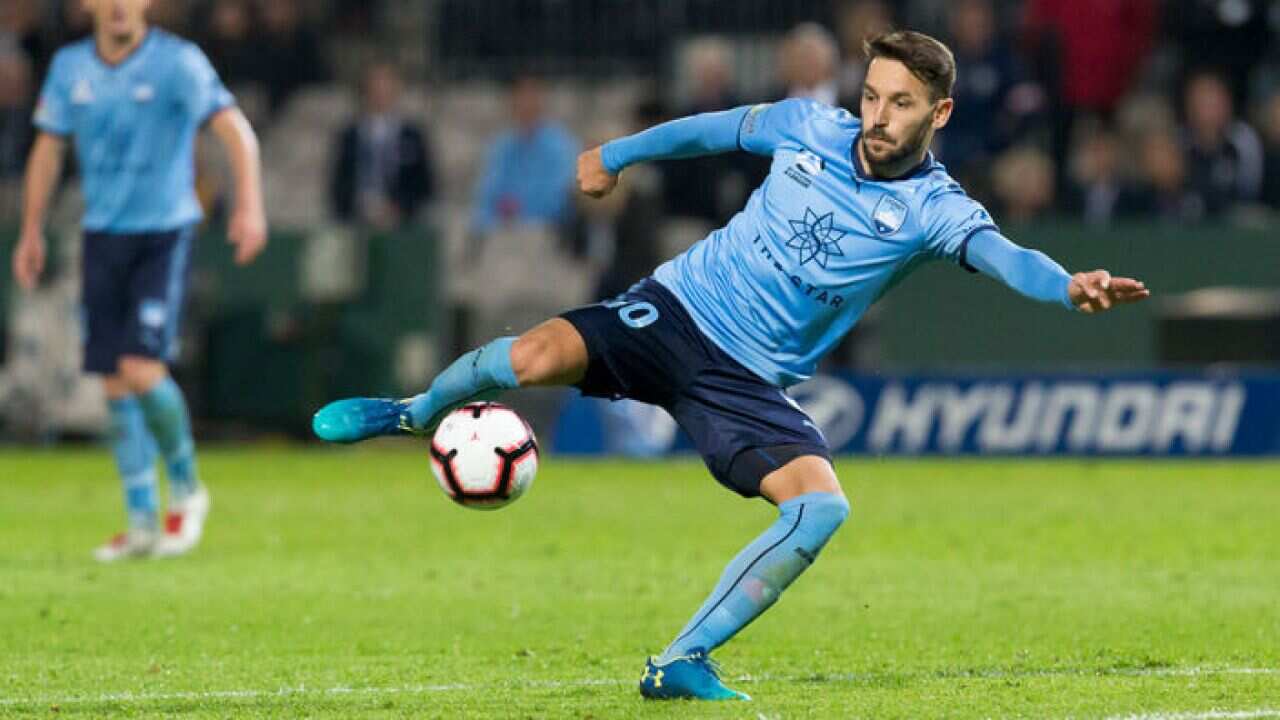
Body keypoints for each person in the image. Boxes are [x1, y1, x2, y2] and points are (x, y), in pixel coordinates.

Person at [312, 30, 1148, 701]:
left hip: (745, 380)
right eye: (871, 97)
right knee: (530, 357)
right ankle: (414, 413)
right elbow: (708, 132)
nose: (878, 116)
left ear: (941, 113)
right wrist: (617, 153)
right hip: (674, 311)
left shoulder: (934, 209)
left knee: (821, 510)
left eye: (901, 104)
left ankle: (679, 660)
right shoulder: (806, 126)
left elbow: (1004, 256)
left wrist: (1068, 285)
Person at [11, 0, 266, 562]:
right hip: (101, 236)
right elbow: (47, 152)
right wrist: (31, 231)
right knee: (112, 381)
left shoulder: (178, 62)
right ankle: (144, 523)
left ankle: (188, 485)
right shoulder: (70, 67)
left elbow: (236, 132)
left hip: (162, 234)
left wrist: (248, 207)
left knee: (141, 368)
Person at [470, 74, 578, 236]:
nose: (526, 103)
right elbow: (487, 196)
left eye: (532, 95)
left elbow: (561, 197)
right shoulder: (502, 147)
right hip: (503, 233)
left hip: (547, 234)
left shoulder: (562, 146)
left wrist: (521, 210)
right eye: (520, 96)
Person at [330, 61, 434, 229]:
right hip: (357, 218)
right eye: (375, 87)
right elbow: (339, 184)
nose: (380, 93)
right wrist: (360, 206)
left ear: (396, 90)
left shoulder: (413, 135)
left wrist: (398, 207)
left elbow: (425, 185)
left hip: (403, 219)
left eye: (386, 87)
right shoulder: (350, 135)